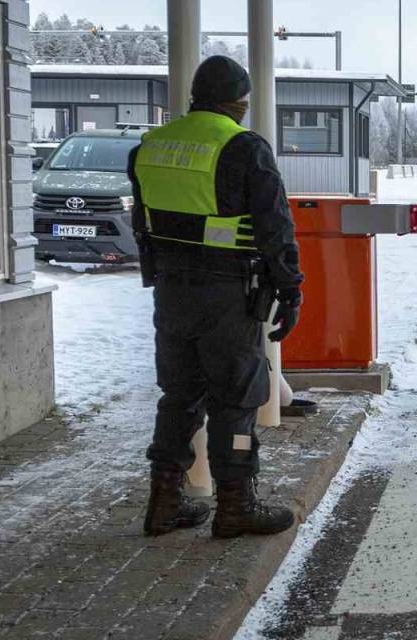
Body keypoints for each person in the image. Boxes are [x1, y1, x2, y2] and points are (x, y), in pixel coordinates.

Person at [132, 55, 302, 539]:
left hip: (171, 290)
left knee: (179, 395)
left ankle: (163, 501)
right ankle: (235, 504)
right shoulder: (243, 147)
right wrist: (290, 290)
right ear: (238, 103)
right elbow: (274, 227)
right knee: (237, 397)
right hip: (228, 294)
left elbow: (142, 222)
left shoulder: (150, 145)